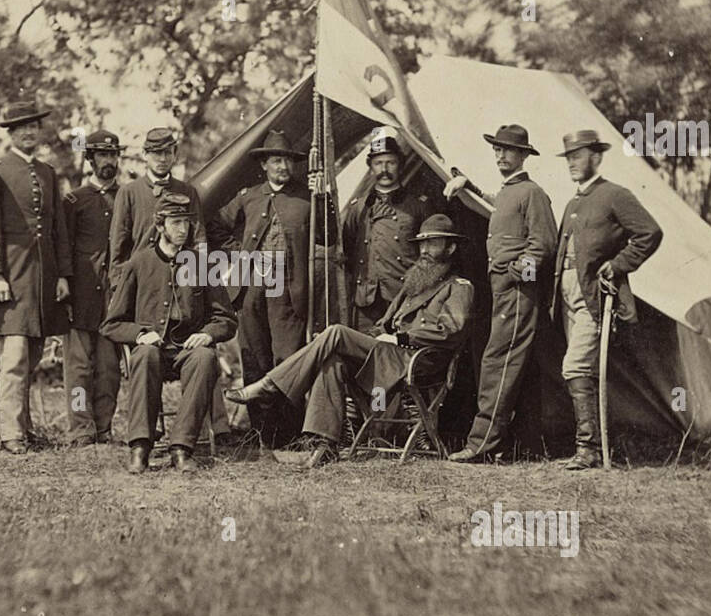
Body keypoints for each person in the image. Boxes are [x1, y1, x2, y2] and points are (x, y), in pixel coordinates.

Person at [227, 214, 474, 469]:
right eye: (422, 244)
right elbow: (384, 325)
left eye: (433, 244)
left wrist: (402, 336)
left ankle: (270, 384)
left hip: (420, 360)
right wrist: (377, 335)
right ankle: (325, 445)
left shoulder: (459, 287)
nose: (424, 250)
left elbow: (451, 330)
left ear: (451, 247)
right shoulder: (415, 282)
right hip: (390, 355)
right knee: (332, 360)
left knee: (335, 333)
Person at [207, 129, 330, 446]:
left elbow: (330, 235)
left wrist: (324, 198)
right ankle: (262, 433)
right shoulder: (249, 197)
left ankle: (289, 434)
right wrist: (239, 254)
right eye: (276, 161)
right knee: (254, 358)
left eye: (287, 162)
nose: (283, 168)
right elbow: (216, 225)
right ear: (264, 164)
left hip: (289, 289)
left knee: (287, 359)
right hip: (252, 287)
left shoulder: (307, 197)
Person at [101, 192, 237, 475]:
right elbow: (112, 324)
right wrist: (139, 334)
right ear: (160, 225)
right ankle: (140, 447)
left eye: (186, 223)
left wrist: (208, 334)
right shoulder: (139, 264)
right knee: (145, 355)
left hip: (186, 350)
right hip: (154, 348)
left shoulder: (202, 264)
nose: (182, 229)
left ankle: (181, 447)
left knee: (204, 358)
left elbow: (226, 319)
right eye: (175, 223)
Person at [552, 129, 663, 469]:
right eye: (569, 157)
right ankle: (593, 444)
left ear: (596, 158)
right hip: (568, 294)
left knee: (574, 366)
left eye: (579, 155)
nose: (573, 162)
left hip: (593, 295)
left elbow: (650, 233)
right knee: (581, 368)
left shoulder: (615, 195)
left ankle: (588, 449)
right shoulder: (573, 201)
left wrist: (618, 265)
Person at [446, 124, 557, 463]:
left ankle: (481, 443)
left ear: (524, 155)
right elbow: (493, 204)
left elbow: (544, 244)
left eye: (507, 150)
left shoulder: (532, 192)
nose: (500, 155)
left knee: (498, 361)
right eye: (496, 149)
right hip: (504, 291)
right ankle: (518, 444)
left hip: (517, 291)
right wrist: (468, 184)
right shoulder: (508, 191)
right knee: (510, 363)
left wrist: (515, 274)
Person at [0, 102, 72, 455]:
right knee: (13, 359)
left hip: (42, 282)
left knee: (33, 357)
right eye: (22, 128)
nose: (29, 132)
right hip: (11, 280)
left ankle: (24, 429)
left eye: (34, 126)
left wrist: (62, 275)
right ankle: (10, 433)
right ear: (10, 133)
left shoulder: (47, 172)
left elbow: (58, 226)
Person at [342, 125, 448, 332]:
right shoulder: (359, 208)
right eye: (378, 163)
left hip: (403, 295)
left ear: (400, 165)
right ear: (371, 168)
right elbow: (347, 250)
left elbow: (433, 255)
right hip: (367, 299)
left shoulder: (419, 206)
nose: (384, 169)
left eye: (390, 163)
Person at [62, 130, 123, 447]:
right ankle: (80, 429)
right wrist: (65, 286)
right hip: (81, 296)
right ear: (90, 159)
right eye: (102, 155)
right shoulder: (74, 200)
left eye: (113, 155)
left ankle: (104, 428)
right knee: (78, 369)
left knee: (110, 368)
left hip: (115, 299)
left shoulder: (127, 197)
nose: (109, 162)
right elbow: (63, 248)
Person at [109, 126, 206, 279]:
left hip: (179, 278)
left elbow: (198, 239)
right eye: (156, 153)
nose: (162, 159)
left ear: (174, 155)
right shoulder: (129, 192)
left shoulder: (188, 192)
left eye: (168, 153)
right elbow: (118, 245)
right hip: (141, 279)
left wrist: (198, 279)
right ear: (145, 154)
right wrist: (118, 285)